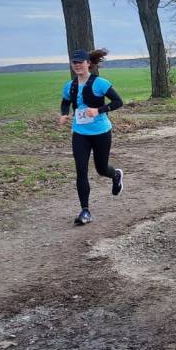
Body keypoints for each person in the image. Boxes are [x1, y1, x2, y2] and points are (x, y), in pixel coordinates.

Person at [58, 48, 125, 225]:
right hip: (80, 133)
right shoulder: (70, 86)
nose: (77, 65)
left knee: (101, 169)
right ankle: (85, 211)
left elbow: (118, 102)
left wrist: (98, 110)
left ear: (88, 63)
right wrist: (64, 114)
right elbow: (65, 102)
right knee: (81, 170)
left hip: (101, 132)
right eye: (74, 62)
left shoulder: (100, 83)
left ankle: (115, 175)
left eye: (80, 62)